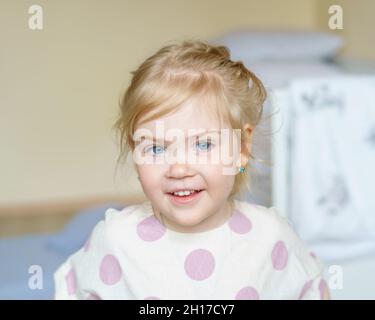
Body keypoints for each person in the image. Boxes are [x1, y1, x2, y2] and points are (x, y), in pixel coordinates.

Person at [54, 39, 330, 300]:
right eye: (157, 149)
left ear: (242, 148)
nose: (179, 169)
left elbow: (313, 289)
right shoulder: (116, 239)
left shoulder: (271, 237)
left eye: (203, 145)